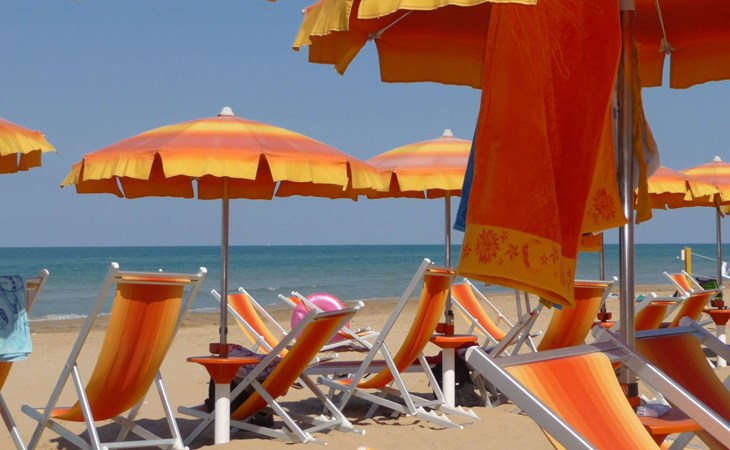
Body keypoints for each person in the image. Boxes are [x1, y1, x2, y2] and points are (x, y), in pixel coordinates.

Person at [204, 344, 281, 427]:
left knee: (222, 366)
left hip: (229, 408)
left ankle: (214, 405)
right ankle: (262, 415)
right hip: (256, 398)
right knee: (228, 367)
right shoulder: (276, 367)